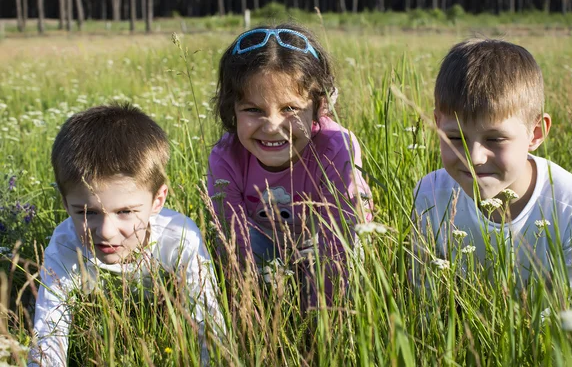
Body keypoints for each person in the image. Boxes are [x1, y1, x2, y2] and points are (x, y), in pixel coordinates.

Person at [28, 104, 224, 366]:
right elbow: (49, 332)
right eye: (87, 212)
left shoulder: (180, 237)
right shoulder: (65, 244)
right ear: (65, 203)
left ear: (158, 200)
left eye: (125, 211)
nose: (106, 232)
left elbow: (209, 328)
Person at [413, 38, 572, 294]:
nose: (474, 157)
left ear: (535, 134)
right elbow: (422, 295)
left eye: (495, 139)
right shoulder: (430, 194)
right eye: (456, 138)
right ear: (437, 124)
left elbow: (571, 312)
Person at [207, 23, 372, 308]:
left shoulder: (336, 147)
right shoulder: (226, 155)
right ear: (231, 110)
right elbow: (233, 240)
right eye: (253, 110)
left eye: (290, 109)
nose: (272, 127)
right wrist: (253, 311)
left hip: (327, 242)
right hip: (264, 242)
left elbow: (340, 239)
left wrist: (323, 316)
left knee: (338, 261)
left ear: (320, 106)